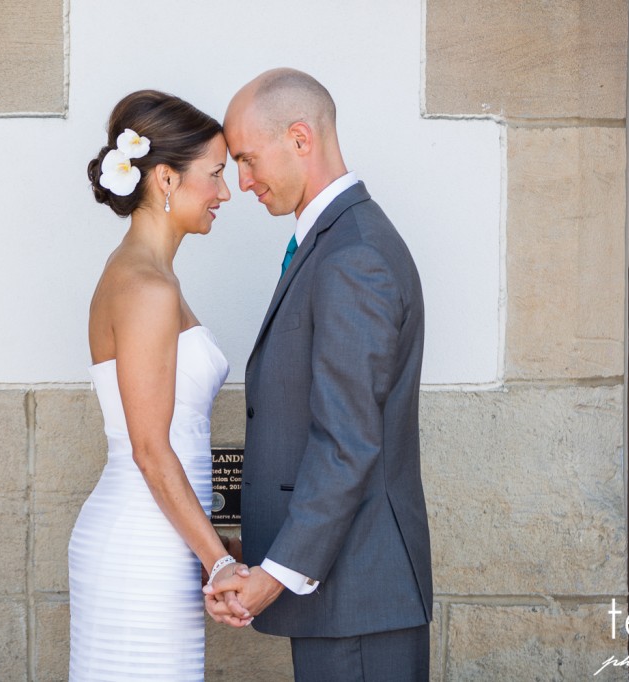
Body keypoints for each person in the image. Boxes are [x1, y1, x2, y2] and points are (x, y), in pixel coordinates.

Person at [204, 68, 434, 681]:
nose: (243, 182)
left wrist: (277, 574)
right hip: (343, 595)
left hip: (358, 598)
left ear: (300, 138)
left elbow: (347, 440)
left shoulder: (353, 255)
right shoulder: (334, 242)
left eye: (247, 159)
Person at [68, 89, 247, 681]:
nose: (225, 192)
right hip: (140, 547)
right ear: (166, 178)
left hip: (162, 540)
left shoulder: (147, 275)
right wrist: (218, 563)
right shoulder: (146, 287)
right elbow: (150, 449)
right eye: (215, 174)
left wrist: (213, 550)